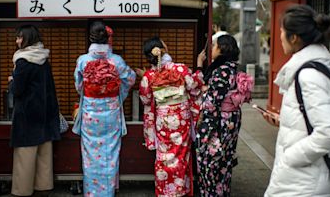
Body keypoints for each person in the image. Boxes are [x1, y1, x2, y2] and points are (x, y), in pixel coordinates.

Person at [261, 4, 330, 196]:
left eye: (282, 31)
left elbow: (328, 133)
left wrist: (290, 158)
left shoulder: (309, 75)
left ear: (294, 37)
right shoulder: (319, 68)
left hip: (305, 182)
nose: (279, 36)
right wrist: (284, 122)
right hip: (306, 178)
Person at [73, 21, 136, 196]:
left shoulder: (83, 61)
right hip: (111, 112)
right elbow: (130, 79)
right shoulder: (116, 61)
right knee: (111, 152)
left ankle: (92, 193)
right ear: (107, 38)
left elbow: (79, 86)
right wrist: (117, 96)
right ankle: (108, 191)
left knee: (90, 155)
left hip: (90, 113)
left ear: (90, 38)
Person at [139, 37, 203, 197]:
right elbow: (195, 86)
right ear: (163, 49)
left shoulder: (149, 75)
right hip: (181, 118)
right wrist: (199, 66)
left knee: (163, 156)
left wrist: (144, 77)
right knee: (181, 155)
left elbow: (146, 99)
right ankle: (180, 191)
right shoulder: (180, 69)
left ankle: (165, 192)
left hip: (162, 121)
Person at [195, 34, 252, 197]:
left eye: (214, 45)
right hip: (231, 120)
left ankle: (211, 194)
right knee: (224, 162)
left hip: (218, 122)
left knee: (209, 163)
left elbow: (212, 103)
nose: (212, 48)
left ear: (222, 49)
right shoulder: (233, 67)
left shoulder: (221, 70)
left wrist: (202, 118)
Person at [9, 25, 61, 196]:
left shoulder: (23, 61)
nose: (17, 41)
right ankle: (43, 186)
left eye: (19, 38)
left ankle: (22, 190)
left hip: (27, 114)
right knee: (44, 154)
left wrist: (12, 80)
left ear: (27, 39)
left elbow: (18, 90)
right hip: (45, 112)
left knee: (25, 156)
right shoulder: (43, 58)